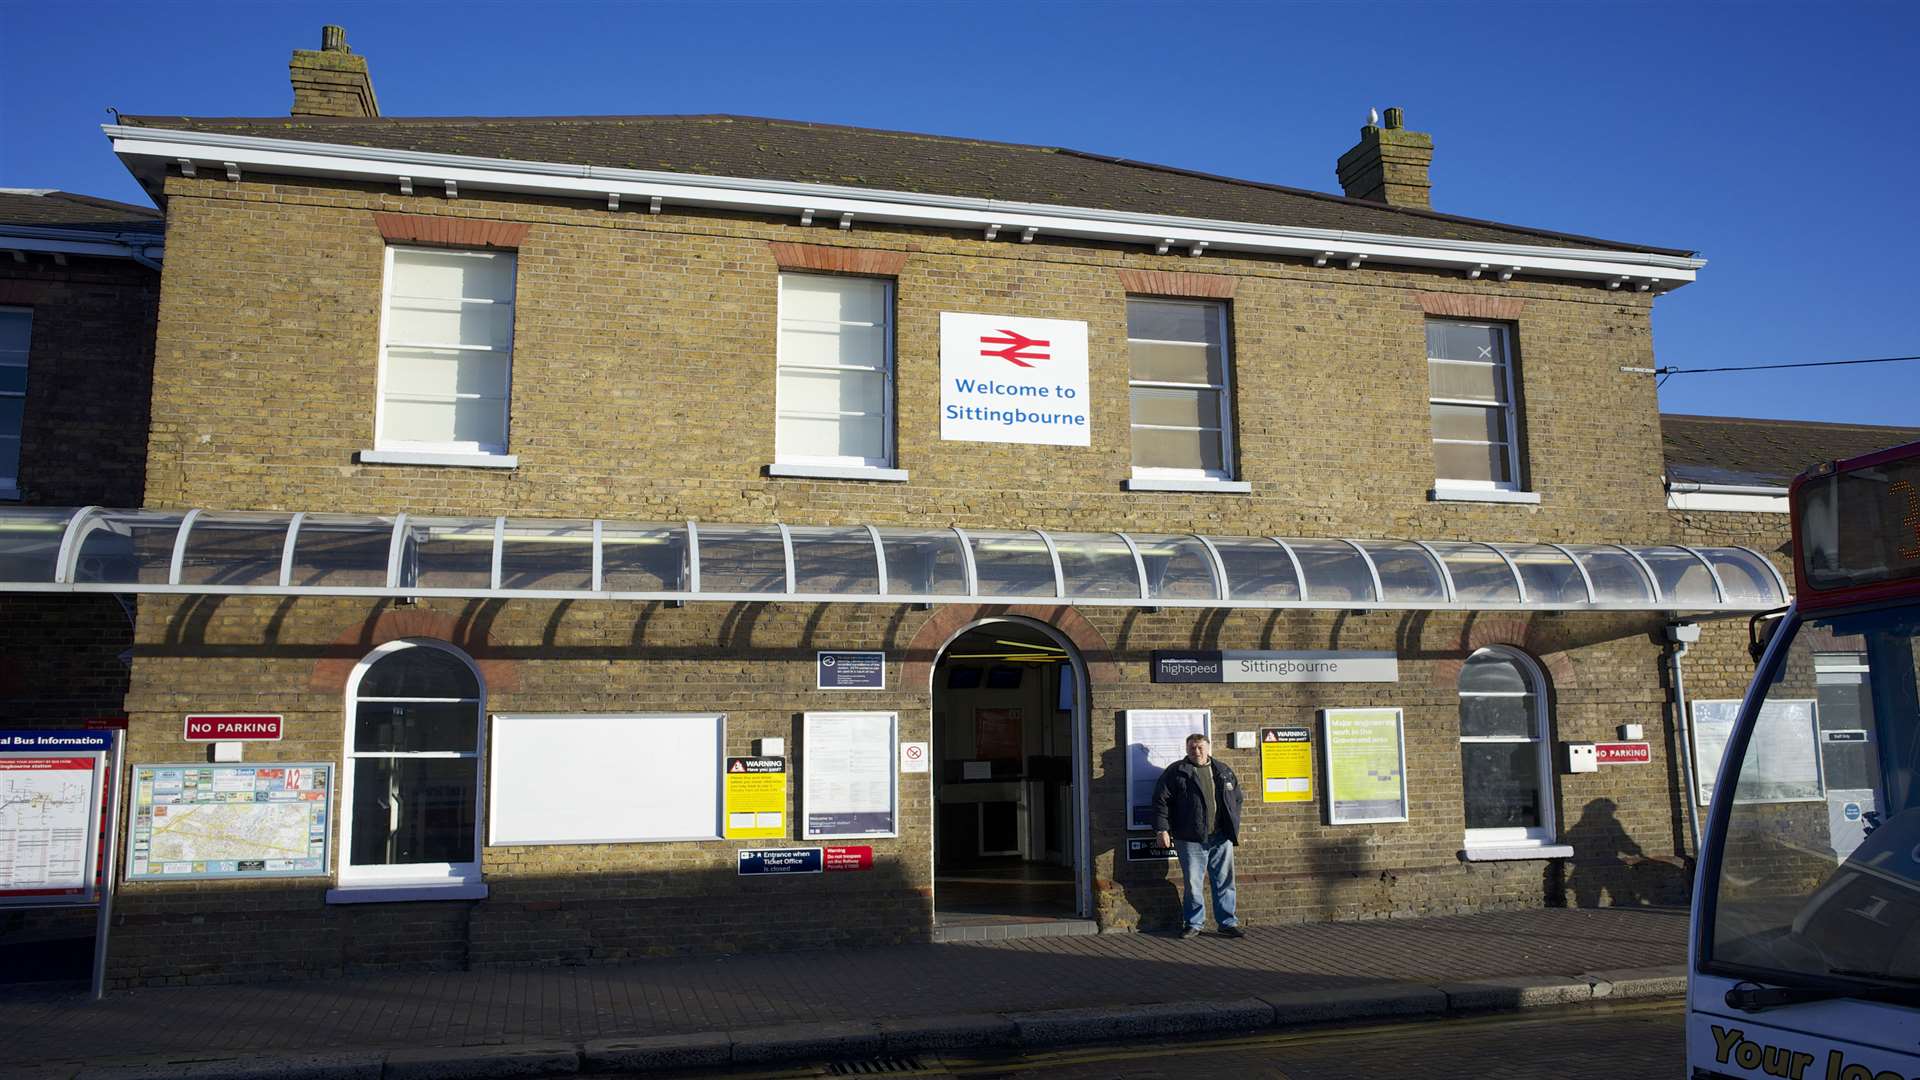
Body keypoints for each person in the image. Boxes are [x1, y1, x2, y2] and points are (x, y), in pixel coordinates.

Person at [1152, 732, 1244, 939]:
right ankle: (1194, 923)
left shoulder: (1222, 770)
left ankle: (1227, 923)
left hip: (1221, 837)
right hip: (1190, 838)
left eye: (1200, 747)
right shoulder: (1176, 772)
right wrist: (1162, 829)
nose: (1197, 751)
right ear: (1186, 749)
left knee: (1224, 881)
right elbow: (1161, 802)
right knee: (1193, 884)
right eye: (1192, 748)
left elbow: (1237, 798)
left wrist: (1232, 824)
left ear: (1209, 748)